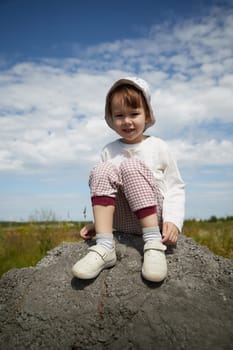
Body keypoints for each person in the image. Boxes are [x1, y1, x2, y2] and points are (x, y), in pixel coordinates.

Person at [72, 77, 185, 282]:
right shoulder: (109, 150)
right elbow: (106, 191)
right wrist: (97, 224)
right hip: (122, 220)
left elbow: (175, 186)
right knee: (102, 170)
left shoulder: (158, 146)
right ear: (111, 118)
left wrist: (173, 220)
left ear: (147, 114)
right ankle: (105, 246)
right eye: (119, 115)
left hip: (153, 217)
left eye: (134, 114)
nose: (127, 121)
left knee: (131, 166)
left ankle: (152, 244)